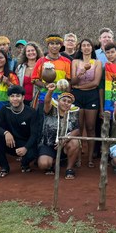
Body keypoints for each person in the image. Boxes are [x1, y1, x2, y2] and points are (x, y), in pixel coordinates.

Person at [0, 85, 38, 177]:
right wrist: (6, 133)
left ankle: (25, 164)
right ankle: (4, 167)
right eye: (12, 96)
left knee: (32, 153)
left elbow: (35, 134)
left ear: (23, 97)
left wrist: (26, 148)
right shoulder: (4, 109)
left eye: (18, 96)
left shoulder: (31, 112)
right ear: (8, 98)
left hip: (26, 144)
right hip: (11, 142)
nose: (15, 99)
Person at [71, 38, 102, 167]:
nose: (86, 47)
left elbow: (95, 83)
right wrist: (80, 75)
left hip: (91, 96)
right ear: (80, 48)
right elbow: (72, 82)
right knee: (78, 128)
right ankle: (77, 158)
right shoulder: (75, 62)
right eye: (83, 45)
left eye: (88, 45)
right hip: (77, 97)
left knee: (90, 127)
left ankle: (89, 159)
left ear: (92, 48)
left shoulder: (97, 63)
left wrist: (79, 88)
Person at [38, 84, 80, 178]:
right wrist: (50, 91)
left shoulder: (73, 113)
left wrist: (66, 139)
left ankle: (69, 169)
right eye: (64, 100)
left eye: (69, 102)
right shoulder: (51, 109)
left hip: (64, 145)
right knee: (43, 164)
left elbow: (77, 130)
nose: (66, 103)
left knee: (75, 142)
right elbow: (47, 101)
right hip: (48, 144)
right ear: (58, 101)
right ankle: (54, 162)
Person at [32, 34, 72, 106]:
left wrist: (67, 95)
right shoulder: (40, 61)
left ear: (61, 45)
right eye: (52, 43)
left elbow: (69, 80)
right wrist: (45, 85)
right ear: (48, 45)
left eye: (57, 44)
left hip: (61, 98)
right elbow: (34, 80)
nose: (54, 46)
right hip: (44, 96)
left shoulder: (67, 61)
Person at [15, 42, 43, 106]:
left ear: (37, 52)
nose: (31, 53)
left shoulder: (42, 66)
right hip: (22, 101)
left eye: (33, 50)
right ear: (25, 53)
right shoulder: (20, 67)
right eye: (28, 51)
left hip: (37, 101)